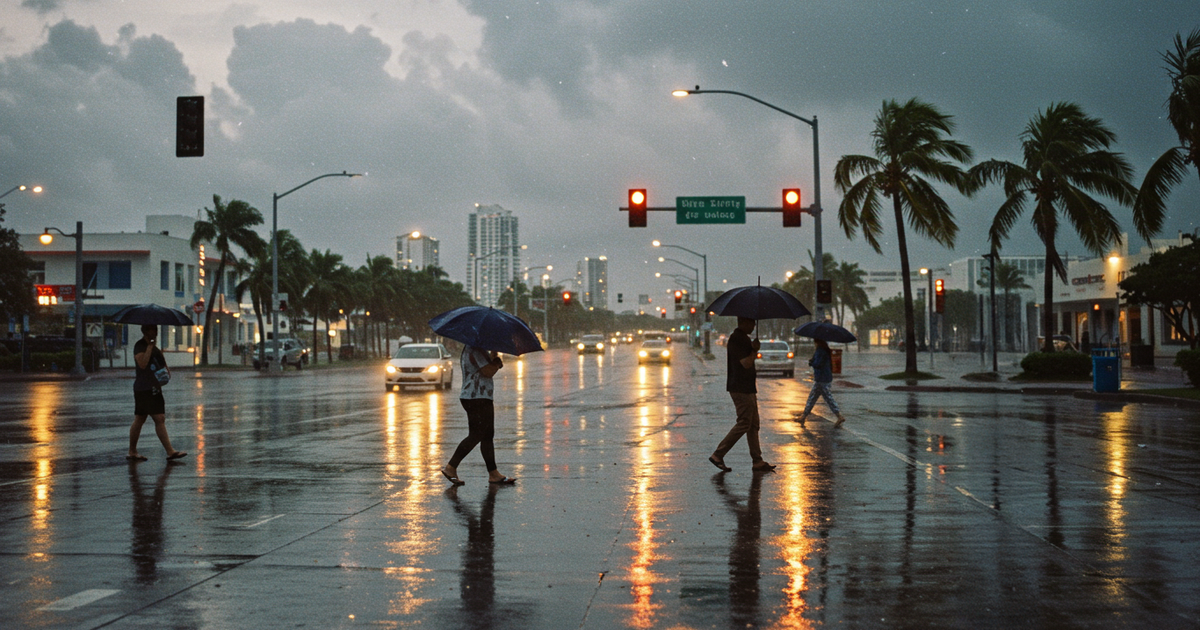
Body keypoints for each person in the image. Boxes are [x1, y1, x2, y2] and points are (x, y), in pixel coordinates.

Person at [442, 345, 516, 485]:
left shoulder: (476, 349)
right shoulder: (475, 349)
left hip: (478, 396)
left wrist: (493, 357)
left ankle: (493, 473)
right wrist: (496, 362)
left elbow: (487, 369)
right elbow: (487, 371)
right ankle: (451, 467)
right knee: (477, 435)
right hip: (476, 397)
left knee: (487, 436)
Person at [710, 317, 775, 472]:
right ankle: (718, 454)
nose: (753, 326)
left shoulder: (743, 338)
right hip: (741, 388)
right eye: (751, 323)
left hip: (748, 387)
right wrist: (754, 351)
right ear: (743, 323)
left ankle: (757, 460)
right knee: (745, 422)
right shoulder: (737, 339)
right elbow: (745, 363)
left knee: (753, 425)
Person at [128, 324, 187, 462]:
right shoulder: (140, 345)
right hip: (143, 388)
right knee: (150, 418)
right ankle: (167, 451)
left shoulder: (155, 348)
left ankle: (135, 451)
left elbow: (162, 365)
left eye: (156, 329)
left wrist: (165, 371)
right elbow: (142, 364)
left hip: (154, 388)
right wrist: (149, 348)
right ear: (145, 331)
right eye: (152, 329)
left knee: (150, 418)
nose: (155, 331)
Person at [796, 338, 845, 427]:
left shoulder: (821, 351)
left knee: (827, 398)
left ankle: (839, 416)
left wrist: (812, 363)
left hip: (822, 379)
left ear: (817, 342)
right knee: (813, 398)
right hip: (823, 378)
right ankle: (803, 416)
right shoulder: (824, 350)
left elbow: (818, 364)